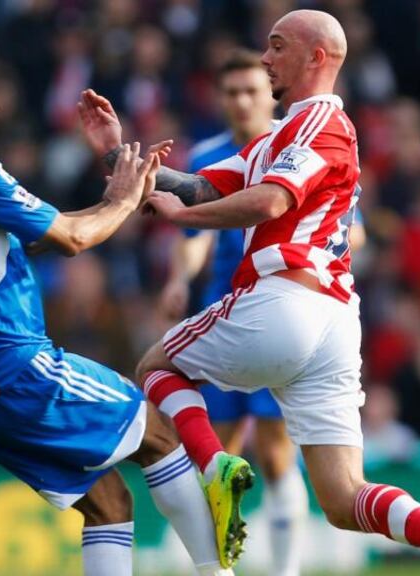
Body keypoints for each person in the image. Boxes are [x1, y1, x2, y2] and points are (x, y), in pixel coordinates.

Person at [79, 10, 420, 576]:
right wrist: (118, 156)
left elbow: (268, 203)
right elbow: (199, 182)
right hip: (331, 323)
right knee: (342, 497)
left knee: (156, 366)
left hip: (284, 298)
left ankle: (216, 469)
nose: (265, 59)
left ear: (317, 58)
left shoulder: (322, 124)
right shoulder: (278, 136)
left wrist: (184, 216)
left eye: (276, 47)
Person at [0, 34, 233, 576]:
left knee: (106, 505)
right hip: (14, 368)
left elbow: (39, 235)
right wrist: (123, 199)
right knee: (160, 433)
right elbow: (71, 239)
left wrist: (115, 185)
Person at [157, 49, 308, 576]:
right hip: (223, 312)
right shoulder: (210, 156)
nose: (242, 100)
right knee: (220, 455)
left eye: (251, 89)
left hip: (279, 313)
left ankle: (284, 569)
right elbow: (194, 234)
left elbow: (344, 226)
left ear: (270, 93)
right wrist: (180, 277)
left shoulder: (297, 147)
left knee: (274, 453)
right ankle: (216, 565)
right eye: (231, 92)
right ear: (220, 99)